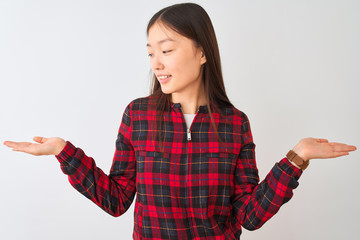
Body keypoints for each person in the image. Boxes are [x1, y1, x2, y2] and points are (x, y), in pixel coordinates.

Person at [3, 3, 356, 240]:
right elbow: (116, 200)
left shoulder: (235, 124)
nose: (156, 63)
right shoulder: (138, 116)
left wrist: (297, 157)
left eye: (167, 50)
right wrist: (64, 152)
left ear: (202, 52)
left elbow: (248, 215)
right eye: (150, 53)